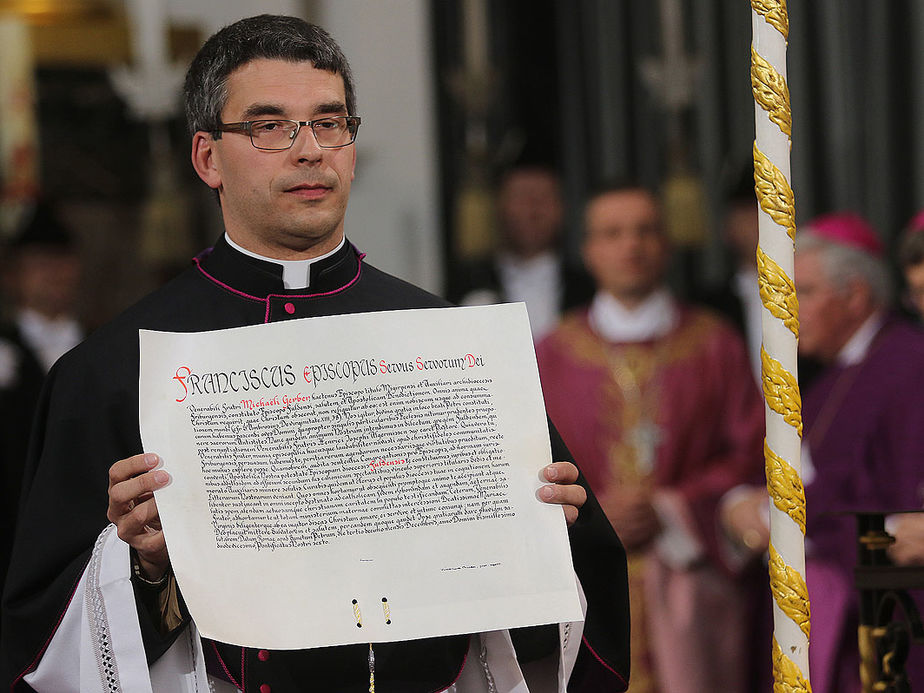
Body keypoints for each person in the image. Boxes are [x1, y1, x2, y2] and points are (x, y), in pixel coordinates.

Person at [0, 15, 629, 693]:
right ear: (208, 157)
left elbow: (555, 625)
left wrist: (547, 535)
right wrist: (140, 566)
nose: (310, 150)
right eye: (270, 126)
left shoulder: (449, 345)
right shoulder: (114, 369)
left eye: (329, 122)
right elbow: (37, 645)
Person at [534, 182, 765, 693]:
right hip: (587, 581)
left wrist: (670, 507)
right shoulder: (551, 356)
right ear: (588, 250)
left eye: (645, 231)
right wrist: (592, 509)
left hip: (691, 583)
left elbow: (751, 454)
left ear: (667, 243)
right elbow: (525, 464)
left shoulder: (714, 346)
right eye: (612, 234)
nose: (630, 246)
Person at [724, 212, 924, 693]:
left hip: (886, 613)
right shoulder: (832, 374)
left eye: (805, 292)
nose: (786, 308)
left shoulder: (904, 364)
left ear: (854, 295)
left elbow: (889, 499)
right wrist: (742, 501)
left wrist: (774, 512)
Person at [446, 164, 594, 341]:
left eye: (543, 198)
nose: (531, 210)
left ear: (563, 208)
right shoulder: (466, 283)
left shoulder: (591, 288)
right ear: (498, 206)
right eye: (520, 197)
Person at [5, 202, 84, 372]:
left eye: (62, 262)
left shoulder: (102, 342)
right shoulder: (5, 349)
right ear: (13, 274)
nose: (54, 273)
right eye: (41, 264)